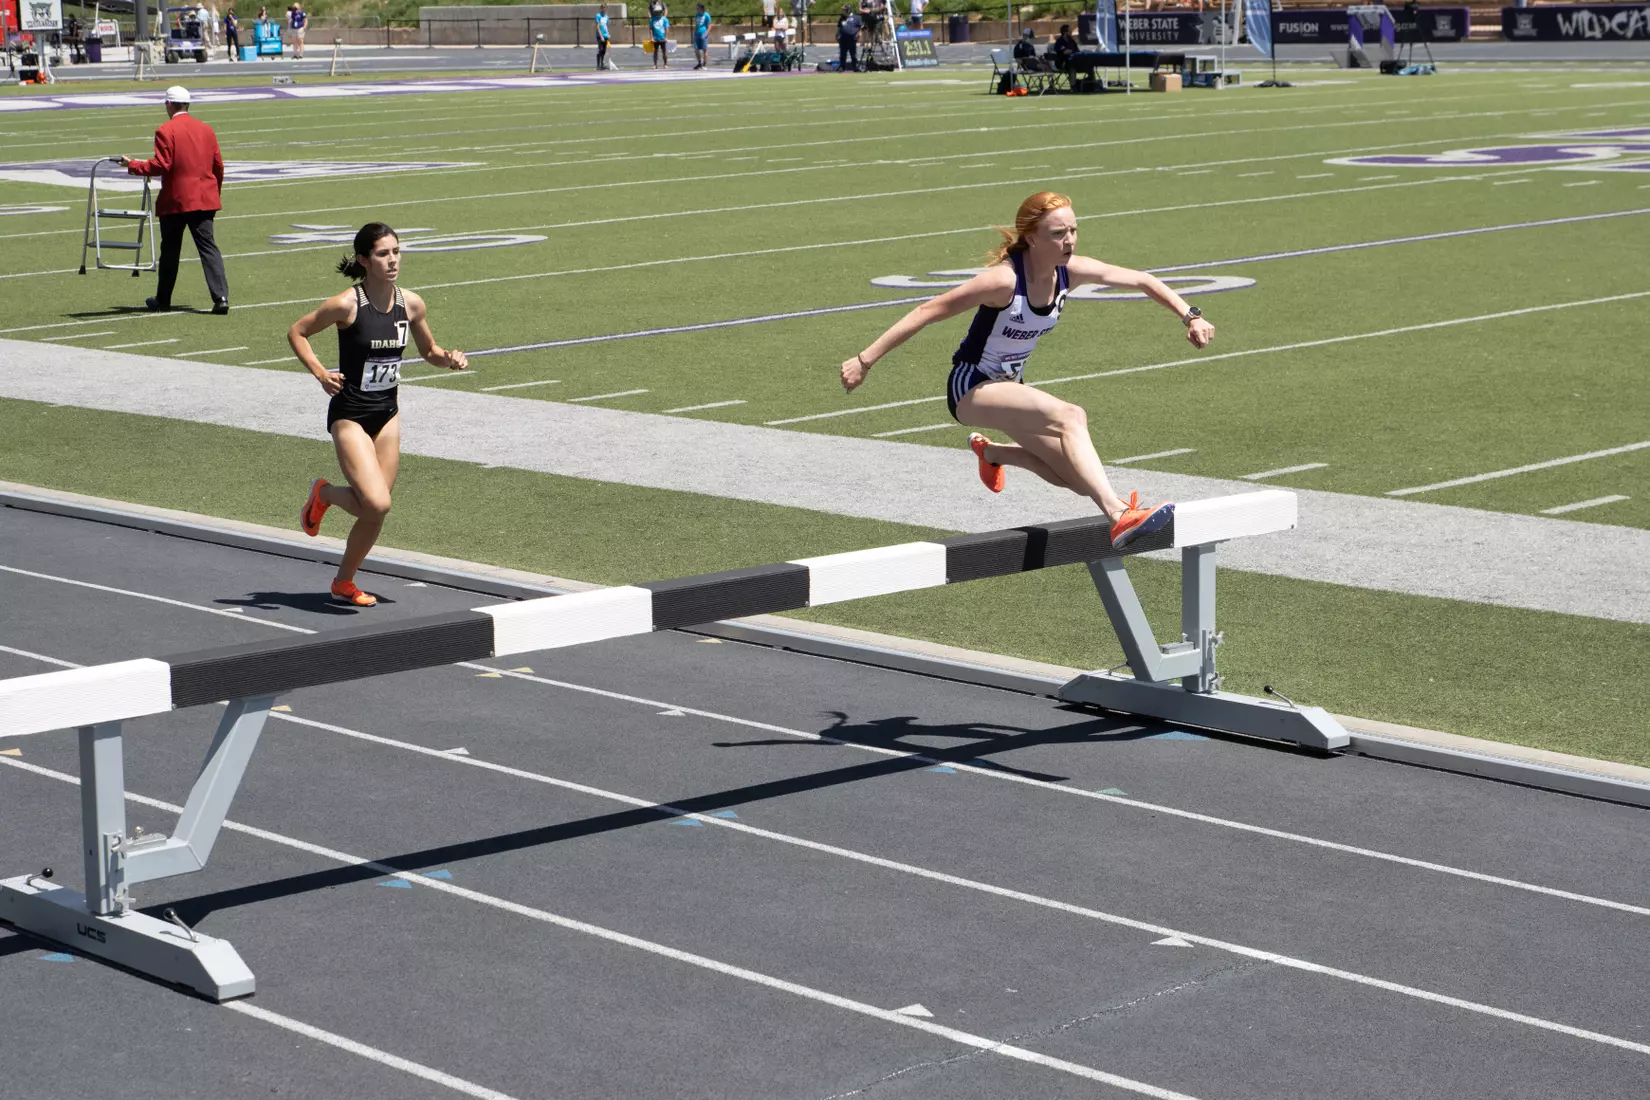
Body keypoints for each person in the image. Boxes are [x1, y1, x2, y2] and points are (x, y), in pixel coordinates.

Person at [839, 192, 1215, 548]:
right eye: (1058, 234)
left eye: (1073, 230)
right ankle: (1118, 514)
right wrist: (864, 360)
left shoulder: (1070, 272)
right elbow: (927, 311)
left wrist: (1190, 316)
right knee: (1071, 416)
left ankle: (994, 455)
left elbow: (1142, 280)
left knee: (1076, 479)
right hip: (971, 386)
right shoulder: (1003, 281)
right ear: (1031, 238)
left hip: (1010, 388)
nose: (1070, 241)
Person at [290, 223, 468, 607]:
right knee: (377, 503)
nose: (392, 260)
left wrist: (448, 359)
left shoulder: (412, 304)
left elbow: (429, 351)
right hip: (350, 414)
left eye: (396, 252)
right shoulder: (346, 304)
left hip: (386, 413)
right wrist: (321, 373)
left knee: (375, 511)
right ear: (364, 261)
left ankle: (343, 582)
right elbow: (298, 331)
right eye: (383, 254)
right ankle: (324, 494)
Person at [117, 86, 229, 315]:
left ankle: (163, 299)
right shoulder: (206, 129)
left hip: (176, 200)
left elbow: (161, 165)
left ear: (169, 104)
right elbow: (218, 166)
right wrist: (213, 191)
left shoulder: (166, 130)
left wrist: (133, 165)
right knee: (209, 249)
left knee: (170, 251)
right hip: (204, 198)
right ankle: (221, 297)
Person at [836, 4, 859, 70]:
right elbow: (839, 28)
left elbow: (860, 27)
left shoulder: (855, 18)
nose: (843, 11)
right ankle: (842, 68)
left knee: (853, 55)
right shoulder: (841, 18)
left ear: (848, 10)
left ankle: (855, 67)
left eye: (844, 10)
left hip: (852, 40)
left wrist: (858, 35)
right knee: (842, 55)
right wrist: (836, 36)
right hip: (843, 40)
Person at [692, 3, 711, 68]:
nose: (697, 9)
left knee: (704, 49)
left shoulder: (707, 15)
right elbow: (697, 24)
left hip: (703, 33)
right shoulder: (697, 15)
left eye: (698, 8)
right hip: (697, 33)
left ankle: (704, 63)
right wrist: (694, 32)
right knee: (696, 49)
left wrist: (706, 33)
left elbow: (709, 25)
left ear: (701, 8)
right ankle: (699, 62)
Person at [594, 3, 610, 69]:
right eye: (602, 7)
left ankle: (602, 63)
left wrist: (608, 33)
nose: (604, 9)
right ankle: (598, 65)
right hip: (600, 35)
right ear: (601, 8)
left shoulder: (606, 17)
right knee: (600, 49)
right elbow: (597, 27)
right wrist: (601, 36)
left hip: (605, 35)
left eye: (605, 7)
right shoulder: (598, 16)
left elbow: (606, 26)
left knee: (604, 50)